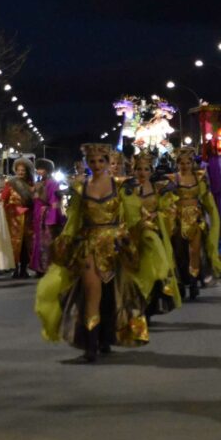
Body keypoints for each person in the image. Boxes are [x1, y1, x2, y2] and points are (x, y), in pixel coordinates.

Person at [35, 144, 150, 362]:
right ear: (87, 163)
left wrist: (140, 235)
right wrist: (64, 241)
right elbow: (74, 219)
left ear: (107, 162)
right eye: (92, 161)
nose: (96, 165)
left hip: (116, 247)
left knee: (113, 296)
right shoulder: (80, 188)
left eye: (101, 161)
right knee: (91, 294)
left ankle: (105, 339)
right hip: (89, 246)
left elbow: (132, 215)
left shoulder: (121, 185)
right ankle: (90, 349)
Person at [165, 146, 221, 300]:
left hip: (196, 220)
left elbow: (206, 199)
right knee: (179, 253)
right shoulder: (172, 180)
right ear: (177, 163)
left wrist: (213, 215)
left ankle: (194, 281)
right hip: (178, 220)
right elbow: (166, 201)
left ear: (192, 163)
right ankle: (182, 282)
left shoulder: (199, 178)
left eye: (188, 163)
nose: (185, 166)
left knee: (194, 252)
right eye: (182, 163)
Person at [123, 150, 180, 317]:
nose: (142, 173)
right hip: (133, 235)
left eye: (146, 169)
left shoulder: (158, 189)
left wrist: (158, 216)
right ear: (134, 170)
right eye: (139, 169)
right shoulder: (127, 190)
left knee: (157, 268)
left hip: (153, 233)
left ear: (151, 171)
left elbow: (169, 210)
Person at [30, 158, 65, 275]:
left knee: (47, 243)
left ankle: (46, 268)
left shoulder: (53, 183)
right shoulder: (39, 183)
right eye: (38, 169)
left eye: (42, 169)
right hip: (38, 216)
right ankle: (39, 267)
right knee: (38, 242)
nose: (39, 171)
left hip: (47, 217)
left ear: (48, 170)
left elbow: (55, 202)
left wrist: (52, 218)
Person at [1, 157, 34, 278]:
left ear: (27, 171)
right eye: (18, 170)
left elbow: (34, 201)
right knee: (14, 245)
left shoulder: (31, 184)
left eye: (23, 170)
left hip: (27, 219)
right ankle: (14, 269)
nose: (20, 172)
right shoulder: (11, 183)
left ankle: (24, 270)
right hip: (13, 220)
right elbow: (3, 200)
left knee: (26, 245)